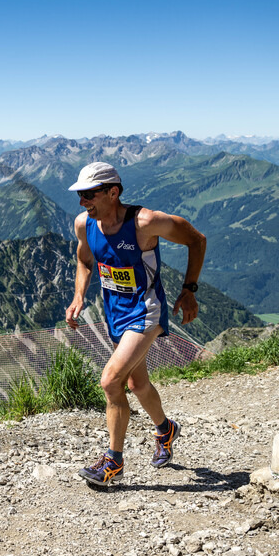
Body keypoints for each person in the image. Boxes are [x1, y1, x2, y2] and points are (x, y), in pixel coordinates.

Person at [64, 161, 206, 486]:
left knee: (110, 381)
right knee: (136, 385)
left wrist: (189, 289)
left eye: (89, 194)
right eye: (80, 195)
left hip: (146, 312)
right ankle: (166, 430)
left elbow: (197, 240)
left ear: (113, 192)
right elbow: (85, 260)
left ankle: (113, 462)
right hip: (116, 314)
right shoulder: (84, 224)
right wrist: (78, 296)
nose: (82, 202)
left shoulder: (146, 222)